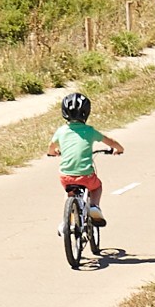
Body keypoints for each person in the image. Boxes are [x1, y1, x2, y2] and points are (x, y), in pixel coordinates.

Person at [43, 88, 124, 237]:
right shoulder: (90, 131)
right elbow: (109, 141)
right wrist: (118, 148)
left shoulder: (61, 131)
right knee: (97, 186)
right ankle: (94, 207)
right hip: (86, 176)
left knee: (69, 192)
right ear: (86, 113)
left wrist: (53, 153)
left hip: (66, 176)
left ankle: (66, 221)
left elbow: (51, 147)